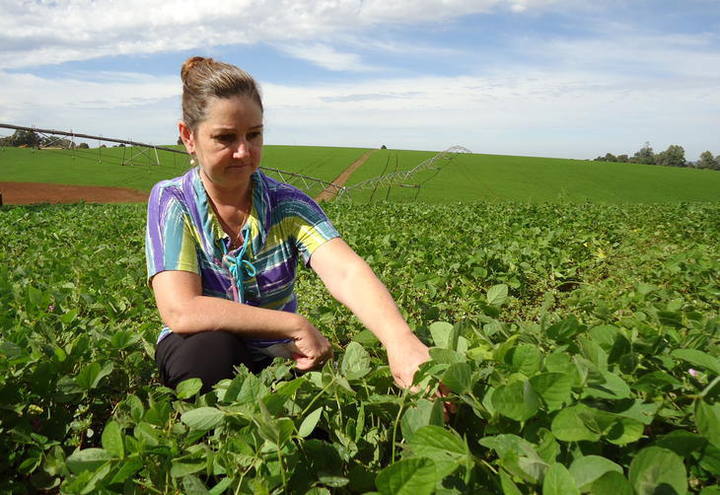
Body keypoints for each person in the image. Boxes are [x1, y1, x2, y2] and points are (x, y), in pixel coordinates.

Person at [146, 56, 431, 394]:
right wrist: (292, 324)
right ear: (188, 137)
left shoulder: (287, 204)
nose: (243, 152)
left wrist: (400, 339)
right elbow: (181, 310)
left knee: (318, 414)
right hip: (202, 351)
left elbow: (346, 272)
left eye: (254, 135)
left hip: (276, 353)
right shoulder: (174, 201)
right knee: (211, 353)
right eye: (225, 138)